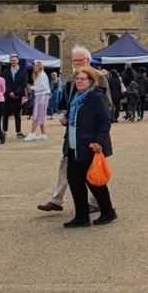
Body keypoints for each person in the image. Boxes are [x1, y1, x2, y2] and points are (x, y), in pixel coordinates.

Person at [39, 47, 100, 214]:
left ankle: (98, 202)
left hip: (88, 135)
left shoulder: (98, 77)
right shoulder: (74, 79)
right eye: (73, 61)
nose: (75, 64)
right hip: (72, 132)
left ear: (87, 61)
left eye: (78, 61)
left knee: (90, 168)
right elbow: (72, 103)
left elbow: (105, 106)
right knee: (65, 164)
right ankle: (56, 200)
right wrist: (67, 116)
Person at [62, 66, 117, 228]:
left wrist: (100, 142)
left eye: (82, 79)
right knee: (74, 180)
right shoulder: (77, 97)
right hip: (73, 143)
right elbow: (75, 117)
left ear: (91, 81)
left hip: (89, 144)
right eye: (77, 79)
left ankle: (107, 212)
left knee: (93, 180)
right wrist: (66, 119)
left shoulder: (95, 97)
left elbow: (105, 121)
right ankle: (82, 215)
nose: (79, 82)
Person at [2, 55, 28, 140]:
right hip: (8, 95)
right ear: (10, 61)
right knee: (6, 114)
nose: (13, 61)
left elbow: (24, 83)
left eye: (15, 60)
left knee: (18, 114)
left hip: (18, 96)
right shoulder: (5, 71)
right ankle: (4, 131)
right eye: (12, 60)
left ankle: (18, 132)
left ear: (18, 60)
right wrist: (9, 92)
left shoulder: (23, 70)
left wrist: (16, 92)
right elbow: (4, 83)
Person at [27, 60, 51, 140]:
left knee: (38, 114)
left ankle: (32, 133)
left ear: (40, 66)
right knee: (40, 114)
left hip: (43, 96)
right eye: (34, 65)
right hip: (39, 95)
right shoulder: (38, 75)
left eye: (37, 65)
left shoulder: (42, 75)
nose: (35, 66)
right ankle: (43, 134)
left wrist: (32, 87)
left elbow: (44, 87)